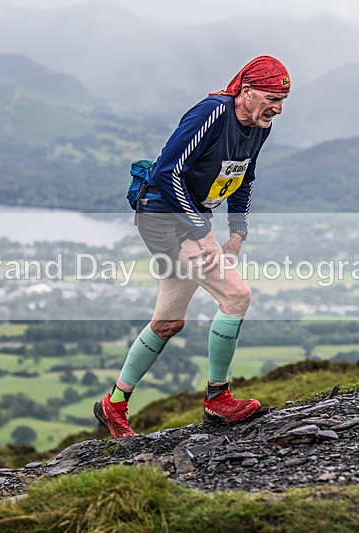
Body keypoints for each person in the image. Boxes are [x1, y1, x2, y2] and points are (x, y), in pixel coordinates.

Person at [94, 55, 290, 438]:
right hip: (162, 216)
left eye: (283, 100)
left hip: (189, 218)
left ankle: (113, 403)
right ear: (246, 92)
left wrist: (236, 231)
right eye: (271, 98)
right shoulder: (212, 113)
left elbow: (244, 177)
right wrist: (202, 232)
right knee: (236, 295)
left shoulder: (259, 125)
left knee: (169, 322)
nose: (278, 108)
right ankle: (218, 400)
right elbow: (168, 172)